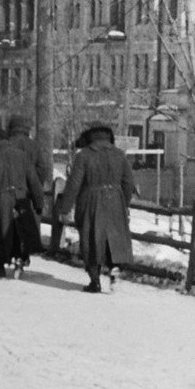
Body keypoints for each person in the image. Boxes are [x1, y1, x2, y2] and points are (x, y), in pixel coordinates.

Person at [57, 122, 135, 293]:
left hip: (90, 201)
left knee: (91, 238)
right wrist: (124, 203)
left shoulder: (84, 155)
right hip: (115, 200)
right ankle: (114, 268)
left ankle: (95, 281)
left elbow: (74, 184)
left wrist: (65, 208)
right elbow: (129, 182)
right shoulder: (119, 154)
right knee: (113, 237)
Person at [0, 129, 44, 278]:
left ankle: (0, 267)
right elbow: (34, 181)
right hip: (20, 198)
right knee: (19, 231)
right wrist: (39, 202)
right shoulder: (22, 156)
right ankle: (19, 260)